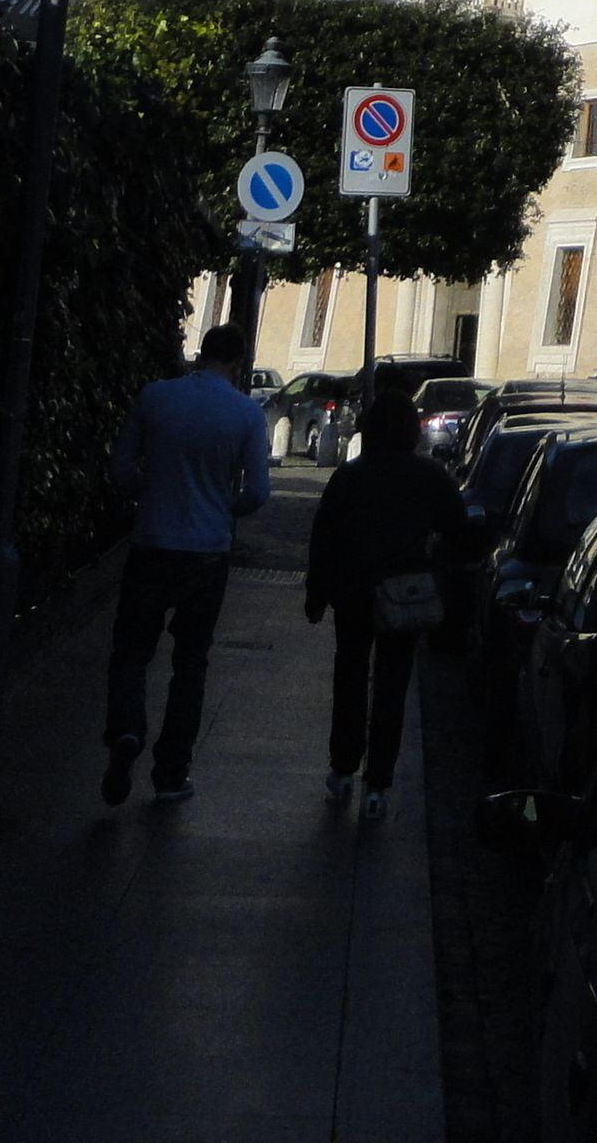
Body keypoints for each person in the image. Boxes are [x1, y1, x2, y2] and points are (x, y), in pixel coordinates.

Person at [101, 324, 275, 807]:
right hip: (207, 551)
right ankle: (171, 771)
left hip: (153, 541)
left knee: (132, 650)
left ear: (200, 353)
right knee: (191, 663)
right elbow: (258, 491)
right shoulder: (245, 414)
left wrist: (152, 493)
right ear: (239, 361)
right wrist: (222, 507)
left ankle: (126, 727)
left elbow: (120, 471)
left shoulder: (156, 397)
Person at [304, 385, 471, 822]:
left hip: (354, 591)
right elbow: (459, 528)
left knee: (351, 679)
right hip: (404, 594)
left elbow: (324, 538)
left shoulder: (350, 476)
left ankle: (342, 767)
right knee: (393, 688)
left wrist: (316, 594)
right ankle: (378, 781)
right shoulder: (429, 476)